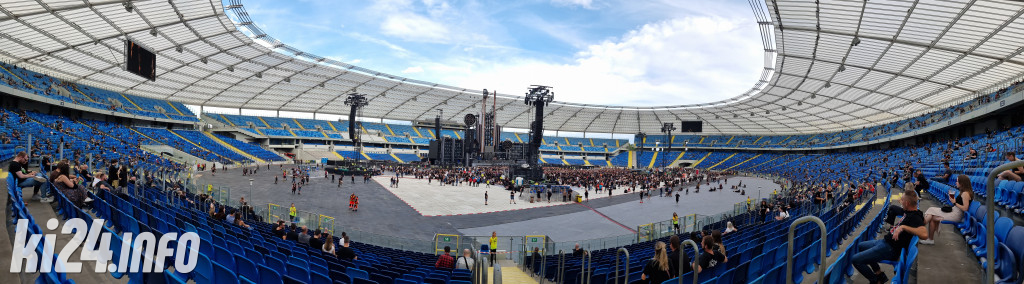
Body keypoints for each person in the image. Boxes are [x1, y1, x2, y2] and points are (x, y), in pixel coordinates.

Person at [851, 188, 927, 284]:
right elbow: (923, 221)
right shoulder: (913, 212)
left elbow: (924, 234)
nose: (900, 201)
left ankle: (875, 281)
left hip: (890, 248)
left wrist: (903, 227)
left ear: (907, 203)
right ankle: (879, 273)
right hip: (885, 241)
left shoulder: (914, 216)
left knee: (855, 260)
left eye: (902, 200)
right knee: (861, 246)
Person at [921, 175, 973, 245]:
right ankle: (928, 237)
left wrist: (955, 202)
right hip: (954, 211)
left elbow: (965, 208)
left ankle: (919, 228)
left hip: (956, 215)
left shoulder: (965, 193)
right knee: (932, 215)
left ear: (962, 183)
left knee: (931, 212)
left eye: (957, 181)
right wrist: (953, 201)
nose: (955, 183)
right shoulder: (963, 192)